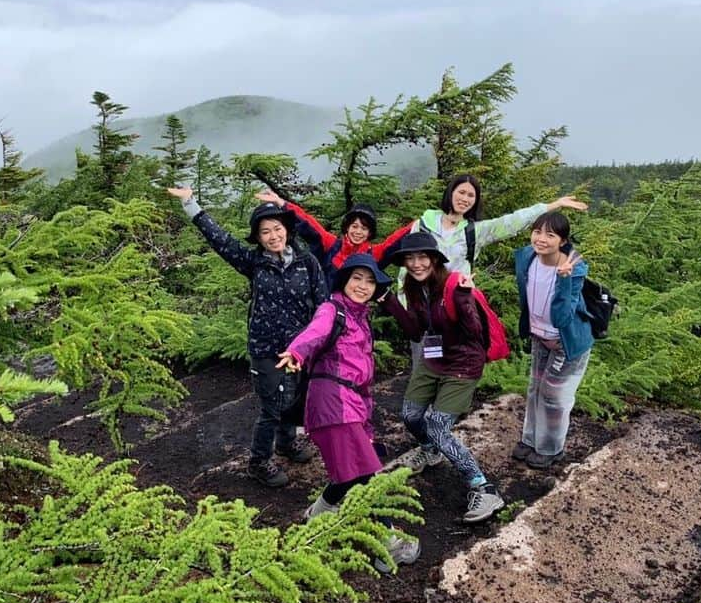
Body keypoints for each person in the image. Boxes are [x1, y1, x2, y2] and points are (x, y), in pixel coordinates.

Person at [167, 185, 326, 488]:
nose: (273, 236)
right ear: (258, 237)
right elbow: (220, 240)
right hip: (265, 348)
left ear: (286, 230)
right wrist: (191, 203)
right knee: (272, 406)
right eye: (265, 232)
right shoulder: (254, 263)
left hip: (299, 348)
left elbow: (323, 305)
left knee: (294, 398)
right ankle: (258, 461)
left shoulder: (308, 263)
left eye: (277, 229)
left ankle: (286, 443)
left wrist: (318, 341)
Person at [277, 253, 420, 572]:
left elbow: (363, 377)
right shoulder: (333, 309)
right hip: (332, 404)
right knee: (369, 474)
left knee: (349, 471)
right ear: (344, 280)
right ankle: (388, 542)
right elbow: (316, 331)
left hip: (350, 404)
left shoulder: (360, 318)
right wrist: (297, 350)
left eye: (370, 281)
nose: (364, 286)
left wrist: (366, 422)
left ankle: (316, 519)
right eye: (357, 278)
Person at [382, 232, 506, 524]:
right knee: (411, 416)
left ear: (435, 259)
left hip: (463, 362)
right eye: (410, 259)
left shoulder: (454, 285)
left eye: (422, 257)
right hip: (435, 356)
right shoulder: (413, 287)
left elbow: (474, 332)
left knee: (438, 425)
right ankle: (430, 451)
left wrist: (464, 298)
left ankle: (483, 487)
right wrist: (388, 301)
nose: (416, 264)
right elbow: (415, 332)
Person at [510, 211, 594, 469]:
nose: (541, 239)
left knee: (553, 396)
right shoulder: (527, 257)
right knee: (535, 389)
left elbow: (562, 318)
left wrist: (564, 280)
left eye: (550, 235)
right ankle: (531, 439)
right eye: (537, 232)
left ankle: (550, 448)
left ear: (563, 240)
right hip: (539, 337)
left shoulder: (573, 269)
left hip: (566, 342)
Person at [408, 173, 588, 275]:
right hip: (422, 307)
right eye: (461, 192)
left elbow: (511, 222)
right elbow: (406, 269)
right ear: (450, 193)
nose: (465, 199)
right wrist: (405, 303)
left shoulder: (475, 232)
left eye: (471, 196)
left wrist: (551, 206)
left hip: (457, 305)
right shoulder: (423, 225)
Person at [253, 190, 412, 287]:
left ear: (370, 233)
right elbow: (309, 223)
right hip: (324, 312)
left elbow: (396, 239)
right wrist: (282, 203)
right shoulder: (332, 245)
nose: (358, 232)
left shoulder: (373, 255)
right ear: (347, 228)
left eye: (364, 228)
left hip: (354, 317)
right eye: (354, 226)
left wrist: (423, 223)